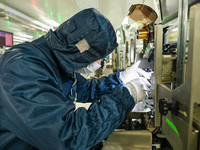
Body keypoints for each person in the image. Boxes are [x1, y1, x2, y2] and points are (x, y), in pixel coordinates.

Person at [0, 8, 148, 150]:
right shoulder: (23, 67)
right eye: (98, 58)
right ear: (81, 50)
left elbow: (85, 89)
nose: (99, 63)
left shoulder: (55, 62)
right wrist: (124, 99)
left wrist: (120, 79)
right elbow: (67, 137)